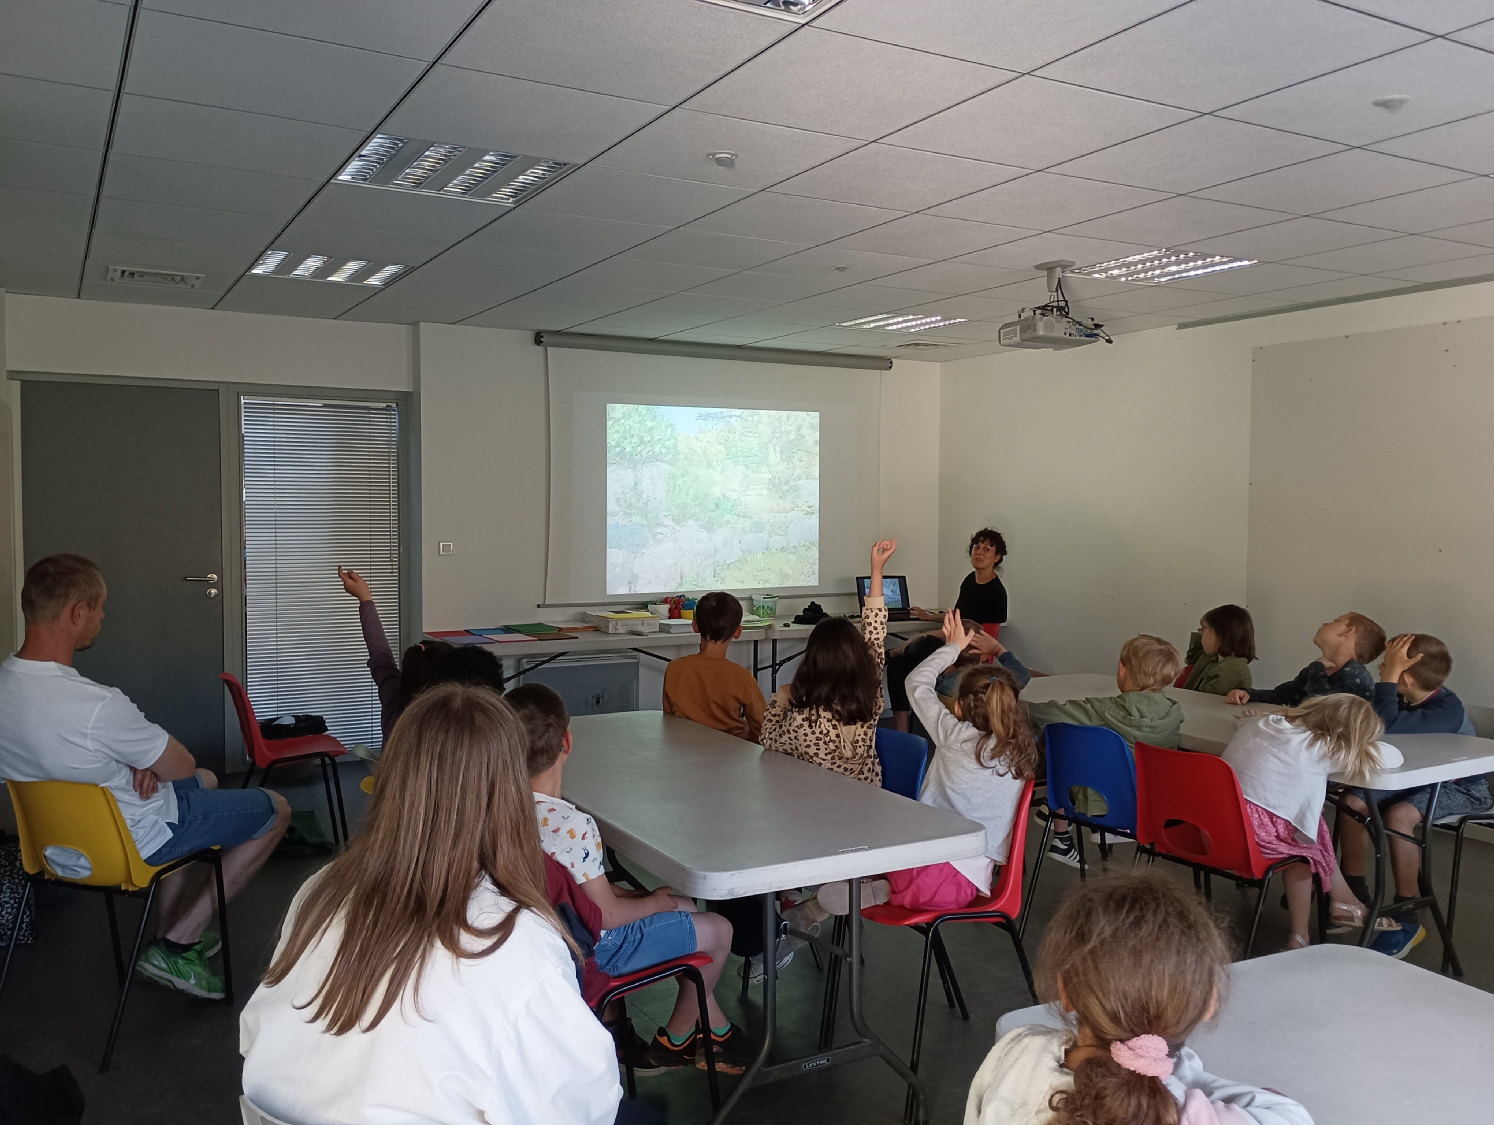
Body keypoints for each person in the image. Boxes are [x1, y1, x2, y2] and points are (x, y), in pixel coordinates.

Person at [241, 684, 625, 1125]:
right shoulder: (517, 941)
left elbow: (253, 1034)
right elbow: (586, 1106)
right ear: (510, 792)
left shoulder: (320, 891)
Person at [0, 554, 290, 1000]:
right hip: (129, 845)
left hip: (53, 850)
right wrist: (141, 764)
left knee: (209, 782)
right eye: (99, 608)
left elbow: (59, 761)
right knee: (275, 810)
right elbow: (180, 766)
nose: (101, 618)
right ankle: (178, 944)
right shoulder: (96, 705)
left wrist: (130, 764)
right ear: (77, 612)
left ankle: (165, 930)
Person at [507, 683, 755, 1075]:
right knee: (720, 930)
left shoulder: (499, 811)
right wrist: (653, 902)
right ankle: (676, 1039)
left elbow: (578, 893)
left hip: (544, 940)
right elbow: (605, 916)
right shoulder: (573, 825)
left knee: (687, 909)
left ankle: (716, 1030)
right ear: (566, 742)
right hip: (594, 950)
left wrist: (647, 899)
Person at [965, 874, 1312, 1125]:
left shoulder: (1016, 1049)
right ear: (1209, 1003)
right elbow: (1293, 1116)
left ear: (1066, 992)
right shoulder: (1178, 1111)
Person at [790, 609, 1037, 922]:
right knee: (894, 855)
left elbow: (916, 681)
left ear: (958, 707)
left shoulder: (954, 735)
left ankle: (863, 890)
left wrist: (952, 647)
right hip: (962, 882)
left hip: (928, 865)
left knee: (875, 849)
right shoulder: (1021, 747)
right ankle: (877, 890)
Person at [1336, 634, 1487, 959]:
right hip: (1414, 779)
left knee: (1398, 816)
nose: (1380, 668)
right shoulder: (1402, 697)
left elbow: (1384, 725)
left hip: (1462, 787)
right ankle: (1354, 894)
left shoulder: (1447, 708)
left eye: (1387, 665)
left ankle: (1408, 916)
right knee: (1352, 802)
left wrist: (1387, 682)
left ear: (1404, 676)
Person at [1223, 694, 1402, 951]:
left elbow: (1245, 723)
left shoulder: (1263, 724)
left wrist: (1260, 716)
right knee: (1302, 850)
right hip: (1252, 840)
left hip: (1218, 829)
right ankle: (1301, 936)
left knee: (1309, 826)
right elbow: (1393, 757)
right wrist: (1363, 743)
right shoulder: (1323, 747)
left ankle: (1342, 901)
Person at [1025, 635, 1185, 867]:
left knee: (1061, 738)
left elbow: (1042, 713)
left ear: (1122, 670)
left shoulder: (1100, 710)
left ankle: (1055, 810)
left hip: (1096, 807)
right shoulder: (1174, 715)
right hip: (1149, 811)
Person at [760, 538, 897, 786]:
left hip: (820, 811)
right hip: (870, 803)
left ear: (813, 663)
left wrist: (781, 699)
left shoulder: (804, 721)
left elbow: (768, 738)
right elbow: (875, 628)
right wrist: (877, 569)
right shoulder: (871, 693)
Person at [338, 565, 503, 745]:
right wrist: (365, 598)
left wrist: (365, 598)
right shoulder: (460, 733)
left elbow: (380, 654)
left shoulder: (395, 705)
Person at [887, 528, 1009, 733]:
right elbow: (958, 617)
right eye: (976, 547)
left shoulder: (996, 592)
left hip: (970, 654)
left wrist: (924, 635)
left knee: (924, 644)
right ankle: (901, 730)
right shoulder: (970, 580)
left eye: (987, 549)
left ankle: (892, 653)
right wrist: (928, 617)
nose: (979, 552)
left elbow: (975, 632)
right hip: (955, 643)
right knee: (898, 666)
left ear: (997, 557)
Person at [661, 591, 765, 742]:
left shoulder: (674, 669)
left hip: (683, 752)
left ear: (695, 625)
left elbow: (669, 721)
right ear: (738, 632)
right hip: (731, 755)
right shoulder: (742, 677)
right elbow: (763, 727)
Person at [1226, 612, 1384, 707]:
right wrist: (1250, 695)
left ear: (1348, 631)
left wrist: (1316, 669)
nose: (1325, 623)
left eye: (1335, 621)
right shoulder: (1318, 669)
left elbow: (1321, 707)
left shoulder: (1356, 676)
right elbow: (1285, 696)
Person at [1181, 605, 1255, 697]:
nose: (1200, 633)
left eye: (1203, 629)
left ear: (1220, 634)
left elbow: (1204, 702)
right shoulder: (1212, 657)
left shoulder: (1231, 670)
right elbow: (1191, 658)